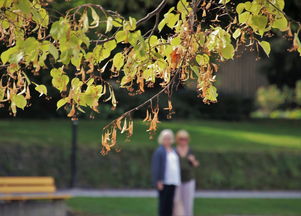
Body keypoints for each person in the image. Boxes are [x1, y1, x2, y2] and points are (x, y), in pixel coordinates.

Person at [151, 129, 181, 216]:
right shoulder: (159, 151)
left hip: (173, 181)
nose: (167, 140)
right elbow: (156, 167)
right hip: (164, 181)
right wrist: (158, 181)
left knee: (170, 204)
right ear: (161, 139)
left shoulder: (174, 151)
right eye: (165, 138)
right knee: (163, 204)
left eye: (169, 138)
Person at [173, 130, 199, 216]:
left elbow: (196, 164)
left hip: (188, 180)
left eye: (185, 139)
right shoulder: (174, 151)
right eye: (181, 139)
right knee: (176, 202)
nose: (183, 141)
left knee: (188, 202)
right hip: (176, 180)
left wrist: (193, 160)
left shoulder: (191, 150)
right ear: (177, 139)